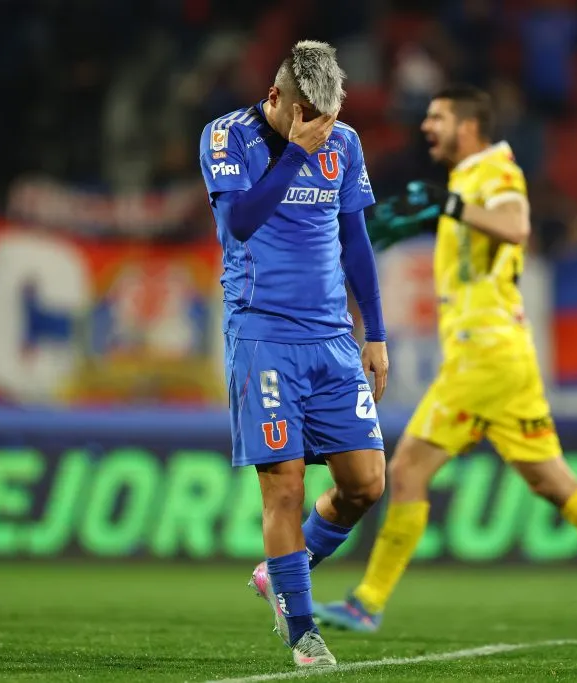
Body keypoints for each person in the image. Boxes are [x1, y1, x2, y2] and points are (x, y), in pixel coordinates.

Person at [314, 84, 577, 637]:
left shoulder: (494, 172)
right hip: (505, 358)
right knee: (551, 479)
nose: (426, 127)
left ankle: (367, 602)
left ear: (469, 126)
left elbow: (518, 225)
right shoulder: (468, 181)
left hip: (482, 356)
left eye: (437, 117)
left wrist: (450, 207)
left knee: (405, 470)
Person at [199, 40, 389, 669]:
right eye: (306, 114)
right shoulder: (227, 138)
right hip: (263, 337)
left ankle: (282, 569)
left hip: (333, 339)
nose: (318, 127)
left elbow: (356, 239)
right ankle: (304, 632)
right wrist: (296, 155)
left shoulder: (344, 141)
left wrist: (376, 333)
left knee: (365, 485)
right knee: (283, 486)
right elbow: (240, 224)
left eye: (327, 117)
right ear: (277, 97)